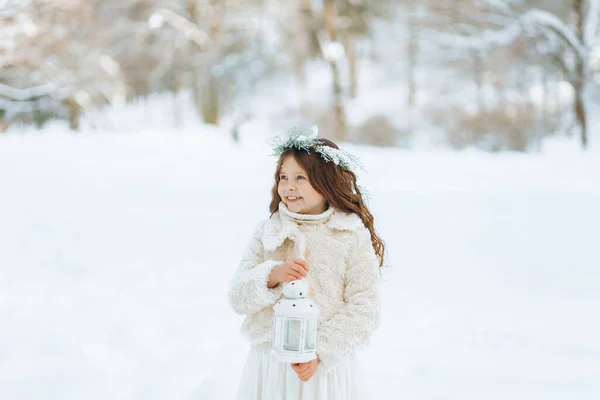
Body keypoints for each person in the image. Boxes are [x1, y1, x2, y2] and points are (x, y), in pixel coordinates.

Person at [228, 127, 385, 400]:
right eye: (283, 177)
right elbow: (237, 297)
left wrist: (320, 351)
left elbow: (365, 307)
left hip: (323, 370)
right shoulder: (268, 231)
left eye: (300, 178)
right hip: (271, 366)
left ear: (325, 182)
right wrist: (272, 275)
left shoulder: (349, 233)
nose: (289, 186)